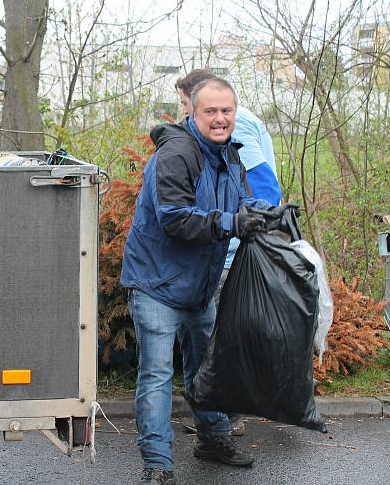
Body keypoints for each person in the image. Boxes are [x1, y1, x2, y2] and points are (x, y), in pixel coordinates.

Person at [120, 78, 278, 485]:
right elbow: (175, 219)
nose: (221, 118)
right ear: (193, 111)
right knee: (157, 375)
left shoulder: (229, 154)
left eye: (227, 111)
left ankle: (213, 440)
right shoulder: (176, 155)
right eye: (211, 111)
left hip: (199, 284)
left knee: (206, 367)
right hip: (157, 283)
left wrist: (267, 213)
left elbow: (241, 201)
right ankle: (157, 465)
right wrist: (233, 223)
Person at [175, 69, 283, 436]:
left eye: (185, 105)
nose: (184, 114)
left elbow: (265, 185)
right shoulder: (229, 124)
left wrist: (244, 225)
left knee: (220, 337)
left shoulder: (237, 128)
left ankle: (227, 417)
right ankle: (215, 416)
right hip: (226, 242)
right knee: (214, 337)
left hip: (231, 248)